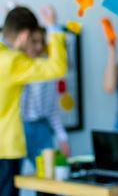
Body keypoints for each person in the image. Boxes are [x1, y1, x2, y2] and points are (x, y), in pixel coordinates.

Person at [0, 6, 67, 196]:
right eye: (31, 39)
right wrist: (53, 27)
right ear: (23, 35)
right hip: (5, 147)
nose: (32, 46)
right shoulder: (13, 62)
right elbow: (57, 67)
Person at [21, 27, 70, 170]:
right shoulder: (15, 65)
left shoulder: (47, 70)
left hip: (41, 127)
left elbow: (52, 109)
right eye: (34, 41)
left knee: (48, 176)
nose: (38, 47)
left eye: (41, 42)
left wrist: (62, 137)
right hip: (19, 127)